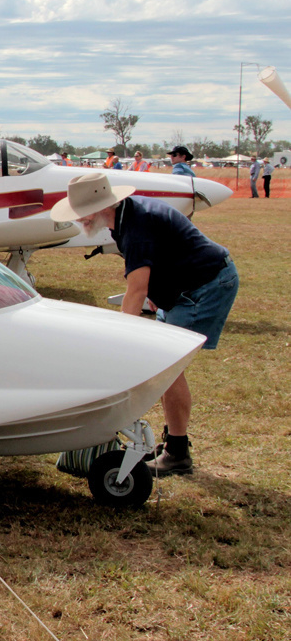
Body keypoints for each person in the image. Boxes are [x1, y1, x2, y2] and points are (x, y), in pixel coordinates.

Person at [50, 171, 237, 476]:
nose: (79, 220)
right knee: (165, 366)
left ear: (102, 207)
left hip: (204, 286)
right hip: (180, 289)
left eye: (82, 214)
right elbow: (150, 269)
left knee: (167, 368)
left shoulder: (136, 226)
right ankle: (174, 442)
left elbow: (135, 289)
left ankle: (177, 453)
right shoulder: (124, 219)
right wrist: (155, 293)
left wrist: (122, 342)